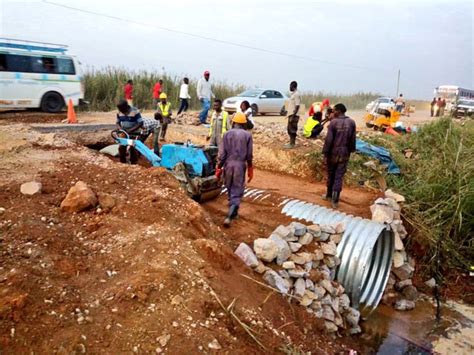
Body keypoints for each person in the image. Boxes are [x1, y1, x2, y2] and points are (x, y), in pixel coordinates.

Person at [216, 112, 253, 227]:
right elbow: (249, 154)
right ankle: (230, 216)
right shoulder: (247, 135)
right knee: (237, 191)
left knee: (230, 187)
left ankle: (234, 212)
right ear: (244, 123)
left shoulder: (226, 134)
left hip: (228, 165)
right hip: (240, 166)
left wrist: (218, 167)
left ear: (234, 122)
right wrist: (250, 168)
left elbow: (222, 154)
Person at [322, 103, 356, 208]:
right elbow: (352, 139)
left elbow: (329, 140)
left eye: (334, 110)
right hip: (345, 153)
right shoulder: (351, 122)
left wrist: (325, 153)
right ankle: (335, 201)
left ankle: (328, 195)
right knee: (339, 176)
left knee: (331, 174)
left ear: (339, 111)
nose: (333, 112)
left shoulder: (333, 123)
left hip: (333, 153)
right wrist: (351, 151)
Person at [116, 99, 143, 164]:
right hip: (124, 132)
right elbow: (117, 122)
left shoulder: (135, 111)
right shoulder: (119, 112)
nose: (120, 111)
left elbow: (140, 123)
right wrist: (120, 129)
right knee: (121, 148)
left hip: (134, 132)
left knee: (133, 148)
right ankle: (123, 163)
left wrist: (130, 130)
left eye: (121, 109)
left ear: (126, 107)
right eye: (119, 109)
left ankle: (134, 163)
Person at [284, 81, 301, 149]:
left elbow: (297, 106)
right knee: (289, 129)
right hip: (291, 114)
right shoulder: (293, 94)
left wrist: (293, 115)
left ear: (293, 86)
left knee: (292, 129)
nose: (289, 88)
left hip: (294, 115)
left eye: (290, 86)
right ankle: (291, 142)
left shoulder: (297, 94)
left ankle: (292, 144)